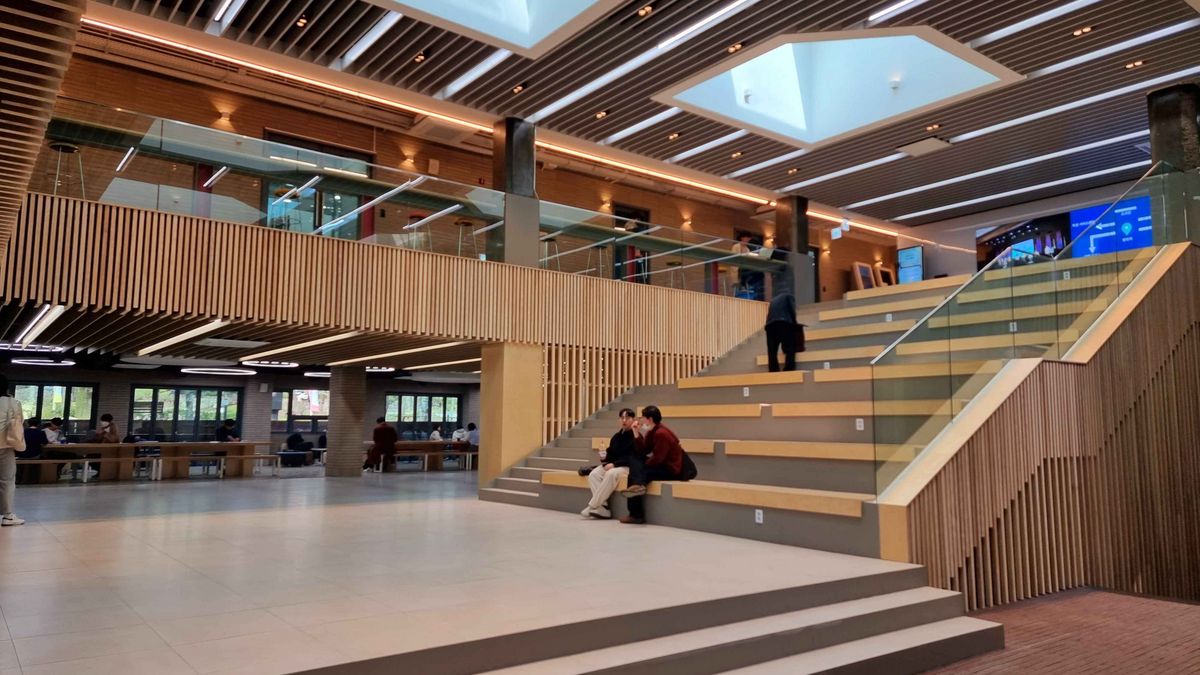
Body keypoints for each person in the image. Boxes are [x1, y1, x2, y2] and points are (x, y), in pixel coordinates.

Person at [620, 405, 696, 524]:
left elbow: (659, 458)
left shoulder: (661, 433)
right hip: (661, 465)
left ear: (649, 419)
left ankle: (636, 512)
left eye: (643, 418)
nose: (641, 420)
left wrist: (643, 467)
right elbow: (642, 451)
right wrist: (636, 432)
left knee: (636, 474)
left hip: (672, 470)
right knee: (634, 463)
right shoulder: (653, 431)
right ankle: (638, 487)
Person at [580, 408, 637, 519]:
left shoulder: (635, 436)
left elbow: (632, 457)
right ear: (619, 420)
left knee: (611, 473)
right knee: (594, 474)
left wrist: (614, 465)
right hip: (614, 465)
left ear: (633, 420)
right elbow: (611, 453)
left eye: (627, 418)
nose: (624, 420)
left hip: (628, 466)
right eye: (622, 418)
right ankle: (603, 508)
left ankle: (593, 505)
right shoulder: (616, 437)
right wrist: (604, 458)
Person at [0, 375, 26, 525]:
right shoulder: (13, 403)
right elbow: (19, 422)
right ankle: (8, 516)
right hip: (5, 445)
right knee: (7, 480)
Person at [765, 290, 799, 372]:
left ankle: (773, 369)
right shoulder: (789, 296)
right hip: (784, 322)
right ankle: (789, 368)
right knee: (790, 346)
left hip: (770, 325)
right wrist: (795, 324)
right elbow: (792, 310)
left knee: (772, 350)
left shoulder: (773, 300)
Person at [17, 418, 46, 486]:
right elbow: (45, 442)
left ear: (28, 424)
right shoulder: (41, 432)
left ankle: (18, 480)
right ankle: (33, 480)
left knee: (19, 466)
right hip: (35, 455)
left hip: (22, 454)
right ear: (38, 424)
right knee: (35, 464)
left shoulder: (22, 432)